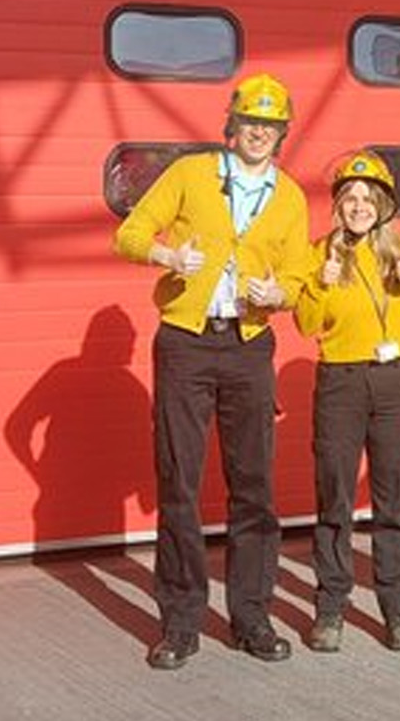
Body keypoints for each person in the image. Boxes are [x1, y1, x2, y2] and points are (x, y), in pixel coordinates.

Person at [113, 72, 311, 670]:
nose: (260, 133)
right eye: (252, 121)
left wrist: (279, 292)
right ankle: (179, 622)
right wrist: (166, 254)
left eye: (271, 125)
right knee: (179, 482)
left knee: (253, 484)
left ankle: (252, 616)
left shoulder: (291, 196)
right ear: (233, 125)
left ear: (282, 134)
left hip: (249, 344)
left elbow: (300, 276)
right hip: (186, 343)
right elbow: (130, 233)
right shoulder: (191, 174)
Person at [292, 149, 400, 652]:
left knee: (393, 501)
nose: (358, 206)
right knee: (333, 498)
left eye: (367, 198)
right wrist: (319, 283)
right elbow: (306, 324)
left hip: (393, 380)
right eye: (349, 198)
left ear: (384, 205)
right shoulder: (321, 254)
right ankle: (330, 609)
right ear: (338, 206)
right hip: (341, 381)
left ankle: (398, 612)